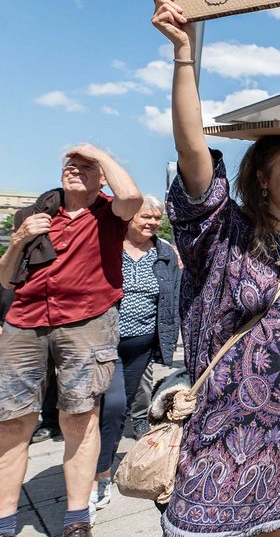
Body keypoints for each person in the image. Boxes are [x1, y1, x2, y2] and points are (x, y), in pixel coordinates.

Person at [151, 0, 280, 537]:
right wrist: (183, 55)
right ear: (263, 178)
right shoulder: (225, 235)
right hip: (224, 435)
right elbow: (193, 152)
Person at [0, 144, 142, 537]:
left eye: (85, 167)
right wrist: (17, 242)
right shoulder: (32, 214)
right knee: (11, 422)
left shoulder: (109, 213)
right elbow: (6, 279)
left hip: (86, 323)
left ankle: (77, 518)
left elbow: (132, 197)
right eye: (70, 165)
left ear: (101, 178)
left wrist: (98, 152)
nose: (74, 170)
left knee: (80, 418)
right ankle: (4, 521)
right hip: (24, 322)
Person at [92, 195, 180, 510]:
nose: (152, 223)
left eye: (157, 218)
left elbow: (173, 296)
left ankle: (100, 469)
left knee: (120, 408)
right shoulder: (110, 243)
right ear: (130, 217)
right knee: (113, 407)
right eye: (145, 217)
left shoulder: (164, 251)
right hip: (106, 342)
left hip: (142, 344)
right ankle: (99, 473)